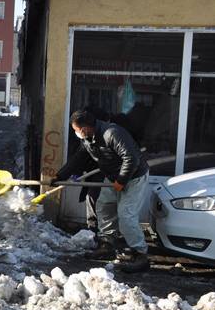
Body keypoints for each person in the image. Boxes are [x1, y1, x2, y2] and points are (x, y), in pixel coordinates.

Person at [48, 109, 150, 273]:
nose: (75, 133)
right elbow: (79, 158)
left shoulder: (112, 133)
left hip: (134, 177)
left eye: (76, 129)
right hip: (113, 175)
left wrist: (121, 181)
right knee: (104, 207)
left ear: (85, 128)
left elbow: (132, 158)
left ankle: (140, 255)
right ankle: (107, 244)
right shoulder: (89, 139)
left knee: (126, 215)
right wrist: (61, 175)